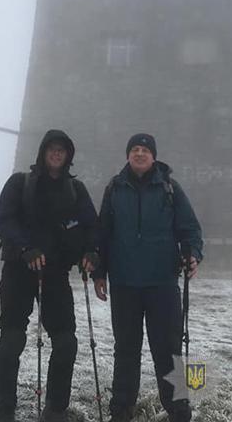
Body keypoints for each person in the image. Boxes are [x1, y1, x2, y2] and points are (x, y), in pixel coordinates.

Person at [93, 133, 203, 422]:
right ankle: (121, 411)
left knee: (168, 350)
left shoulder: (170, 188)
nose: (139, 154)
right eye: (134, 150)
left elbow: (190, 228)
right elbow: (103, 234)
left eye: (145, 150)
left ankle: (179, 412)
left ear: (154, 156)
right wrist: (99, 273)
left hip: (163, 283)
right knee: (126, 351)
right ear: (128, 155)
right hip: (124, 283)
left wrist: (194, 255)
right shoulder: (114, 189)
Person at [0, 129, 99, 422]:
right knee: (12, 338)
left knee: (66, 342)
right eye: (51, 148)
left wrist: (91, 251)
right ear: (42, 152)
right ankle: (5, 408)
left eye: (62, 150)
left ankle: (55, 408)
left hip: (55, 274)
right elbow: (3, 219)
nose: (56, 153)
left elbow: (92, 225)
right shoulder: (19, 183)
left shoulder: (76, 191)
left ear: (68, 156)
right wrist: (25, 247)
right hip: (19, 269)